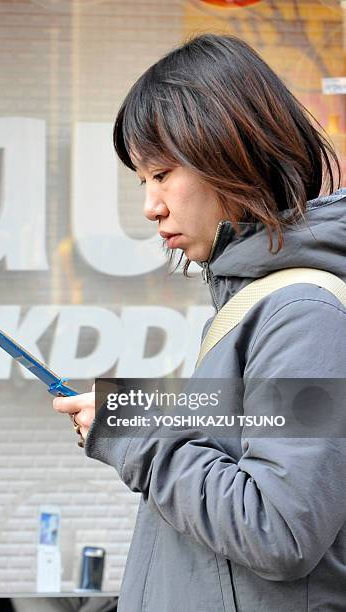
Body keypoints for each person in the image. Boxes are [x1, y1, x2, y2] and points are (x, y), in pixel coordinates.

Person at [52, 34, 346, 611]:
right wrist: (127, 413)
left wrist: (131, 435)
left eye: (162, 174)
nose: (150, 206)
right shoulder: (262, 303)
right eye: (143, 181)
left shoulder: (303, 314)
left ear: (227, 153)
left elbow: (279, 529)